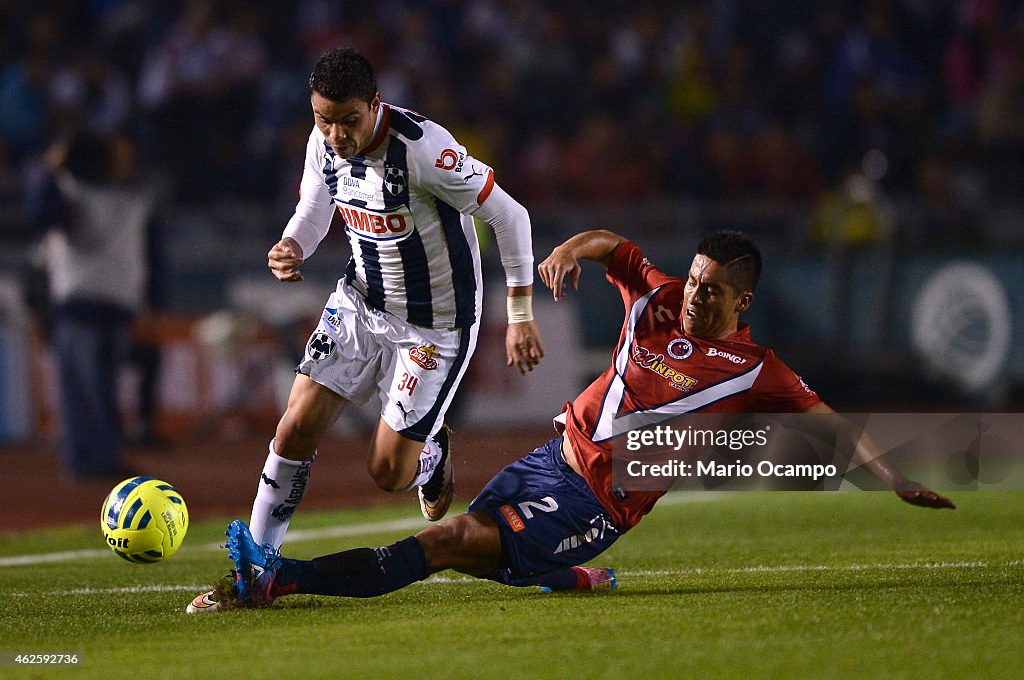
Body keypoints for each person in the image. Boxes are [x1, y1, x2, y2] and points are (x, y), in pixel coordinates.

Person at [195, 228, 954, 611]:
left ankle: (277, 581)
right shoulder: (657, 300)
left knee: (448, 541)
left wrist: (894, 480)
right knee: (476, 550)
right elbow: (609, 245)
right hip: (551, 457)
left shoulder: (759, 371)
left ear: (742, 304)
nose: (694, 296)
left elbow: (832, 426)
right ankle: (572, 578)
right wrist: (563, 253)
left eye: (713, 291)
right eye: (693, 281)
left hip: (601, 496)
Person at [187, 48, 544, 612]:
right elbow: (315, 205)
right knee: (295, 425)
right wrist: (293, 245)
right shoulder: (323, 139)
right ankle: (256, 568)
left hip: (435, 325)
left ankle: (429, 454)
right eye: (323, 119)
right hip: (359, 304)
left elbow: (510, 215)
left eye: (348, 120)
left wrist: (521, 314)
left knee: (386, 473)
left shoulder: (424, 149)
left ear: (376, 105)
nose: (335, 134)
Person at [26, 130, 158, 479]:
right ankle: (87, 459)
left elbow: (39, 216)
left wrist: (49, 169)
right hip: (82, 307)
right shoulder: (77, 194)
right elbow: (39, 217)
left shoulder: (121, 197)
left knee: (97, 388)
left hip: (102, 308)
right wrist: (50, 171)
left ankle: (97, 457)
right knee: (87, 388)